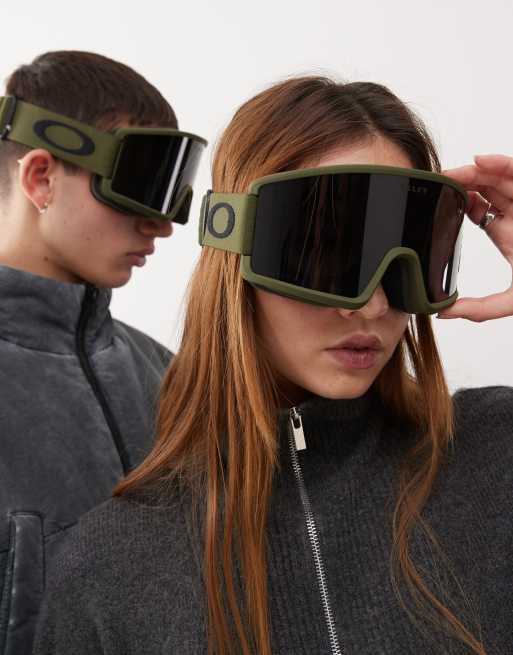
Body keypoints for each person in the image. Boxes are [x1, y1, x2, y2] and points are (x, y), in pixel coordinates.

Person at [33, 76, 513, 655]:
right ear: (235, 252)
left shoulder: (497, 454)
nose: (372, 306)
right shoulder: (109, 569)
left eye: (405, 256)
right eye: (328, 255)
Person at [0, 50, 206, 655]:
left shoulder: (168, 376)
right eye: (136, 186)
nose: (160, 227)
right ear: (41, 178)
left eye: (166, 193)